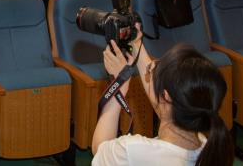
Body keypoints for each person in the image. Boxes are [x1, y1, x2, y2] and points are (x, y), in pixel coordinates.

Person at [93, 40, 231, 166]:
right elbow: (166, 108)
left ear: (166, 96)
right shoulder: (204, 146)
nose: (151, 67)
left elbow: (100, 150)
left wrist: (118, 84)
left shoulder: (131, 151)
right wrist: (136, 44)